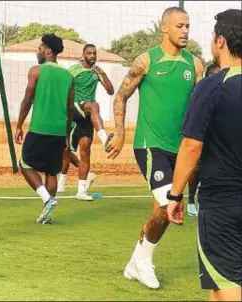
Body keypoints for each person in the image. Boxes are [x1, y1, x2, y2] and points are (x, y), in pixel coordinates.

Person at [106, 6, 203, 289]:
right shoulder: (145, 61)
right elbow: (121, 97)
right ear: (165, 28)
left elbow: (197, 107)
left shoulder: (194, 64)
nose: (185, 31)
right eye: (180, 26)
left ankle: (135, 261)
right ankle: (144, 263)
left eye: (188, 26)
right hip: (150, 145)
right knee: (167, 205)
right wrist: (121, 132)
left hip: (181, 149)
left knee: (164, 212)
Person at [167, 9, 242, 301]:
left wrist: (175, 196)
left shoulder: (212, 86)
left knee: (228, 285)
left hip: (223, 203)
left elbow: (191, 146)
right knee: (217, 283)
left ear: (220, 41)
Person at [15, 33, 74, 224]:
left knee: (24, 164)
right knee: (51, 172)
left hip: (39, 128)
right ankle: (46, 214)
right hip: (58, 132)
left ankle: (47, 199)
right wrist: (66, 135)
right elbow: (70, 108)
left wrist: (19, 124)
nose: (37, 51)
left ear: (48, 50)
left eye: (40, 48)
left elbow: (27, 100)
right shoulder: (68, 76)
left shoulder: (36, 71)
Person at [57, 44, 115, 199]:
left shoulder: (97, 72)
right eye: (89, 53)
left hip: (87, 116)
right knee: (66, 150)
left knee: (85, 152)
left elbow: (111, 91)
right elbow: (63, 88)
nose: (92, 56)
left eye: (94, 53)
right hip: (75, 109)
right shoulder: (74, 70)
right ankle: (104, 139)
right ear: (83, 55)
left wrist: (103, 74)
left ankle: (81, 191)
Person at [186, 62, 220, 216]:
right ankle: (191, 198)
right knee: (196, 168)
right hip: (202, 135)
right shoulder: (199, 92)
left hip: (220, 138)